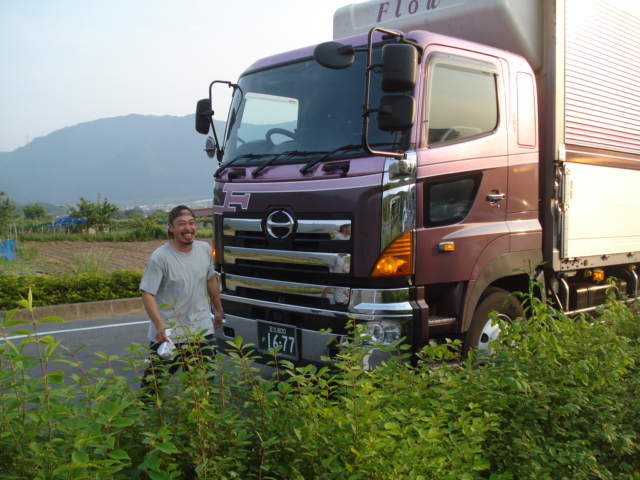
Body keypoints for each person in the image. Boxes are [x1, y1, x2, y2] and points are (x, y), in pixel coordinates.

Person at [139, 205, 223, 390]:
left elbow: (210, 279)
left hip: (201, 330)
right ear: (171, 228)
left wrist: (218, 309)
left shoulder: (204, 249)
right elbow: (148, 293)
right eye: (182, 224)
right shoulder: (160, 257)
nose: (188, 228)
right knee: (153, 388)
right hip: (169, 334)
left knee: (203, 387)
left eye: (191, 223)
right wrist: (159, 325)